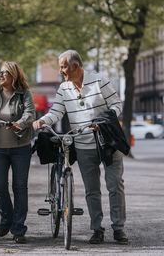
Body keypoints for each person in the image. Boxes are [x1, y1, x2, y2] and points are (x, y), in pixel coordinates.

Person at [33, 50, 128, 245]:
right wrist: (42, 120)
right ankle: (97, 229)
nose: (61, 71)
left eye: (63, 66)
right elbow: (57, 112)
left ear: (75, 66)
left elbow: (116, 104)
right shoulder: (64, 88)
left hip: (107, 142)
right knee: (91, 190)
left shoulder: (100, 80)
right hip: (83, 144)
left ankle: (118, 228)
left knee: (115, 185)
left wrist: (102, 121)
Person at [0, 61, 36, 244]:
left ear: (14, 75)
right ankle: (7, 218)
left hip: (21, 146)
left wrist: (19, 123)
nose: (1, 75)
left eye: (5, 72)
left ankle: (18, 228)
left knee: (20, 187)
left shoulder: (23, 94)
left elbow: (30, 113)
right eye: (0, 72)